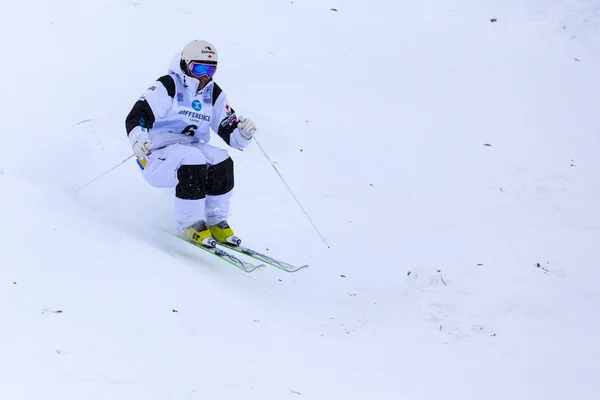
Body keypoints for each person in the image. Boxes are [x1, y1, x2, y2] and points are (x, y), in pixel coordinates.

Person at [125, 40, 257, 247]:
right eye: (199, 69)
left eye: (210, 70)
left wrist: (243, 133)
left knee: (221, 158)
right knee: (193, 157)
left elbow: (230, 134)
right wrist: (139, 139)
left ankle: (216, 221)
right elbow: (137, 115)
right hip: (155, 154)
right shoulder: (168, 85)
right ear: (187, 65)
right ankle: (189, 223)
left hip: (188, 147)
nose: (205, 76)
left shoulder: (212, 93)